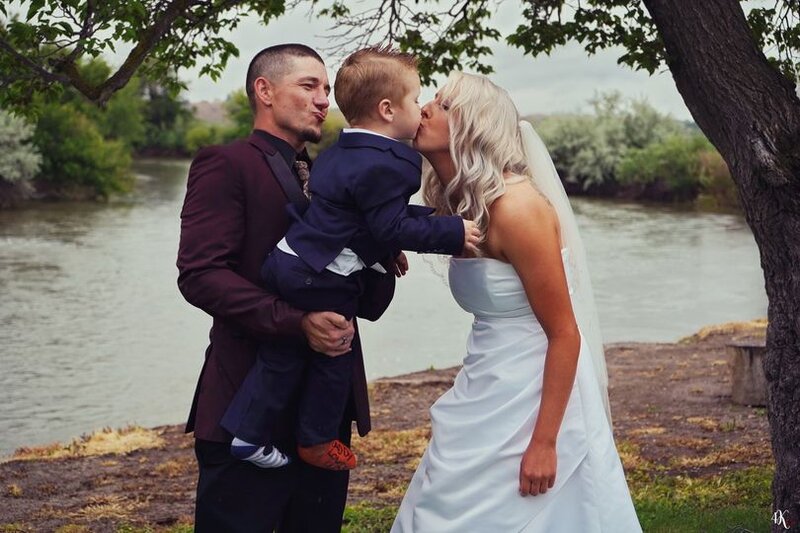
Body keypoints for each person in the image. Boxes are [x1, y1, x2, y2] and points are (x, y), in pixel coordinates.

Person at [391, 72, 642, 532]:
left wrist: (545, 442)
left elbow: (565, 331)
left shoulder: (517, 208)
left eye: (443, 105)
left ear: (474, 127)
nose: (424, 108)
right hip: (487, 378)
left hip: (535, 388)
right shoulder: (462, 205)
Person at [220, 46, 479, 472]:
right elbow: (388, 225)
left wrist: (404, 233)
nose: (421, 107)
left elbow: (362, 217)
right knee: (335, 354)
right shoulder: (393, 165)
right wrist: (453, 232)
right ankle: (317, 440)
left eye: (326, 88)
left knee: (281, 358)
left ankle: (248, 434)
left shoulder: (339, 152)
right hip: (317, 277)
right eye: (416, 100)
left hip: (287, 262)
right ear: (387, 109)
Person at [177, 43, 396, 533]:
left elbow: (370, 303)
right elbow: (199, 274)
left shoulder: (339, 179)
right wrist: (297, 324)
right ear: (265, 91)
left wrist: (384, 247)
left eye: (326, 89)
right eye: (308, 86)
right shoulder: (225, 163)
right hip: (245, 409)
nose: (324, 99)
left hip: (325, 417)